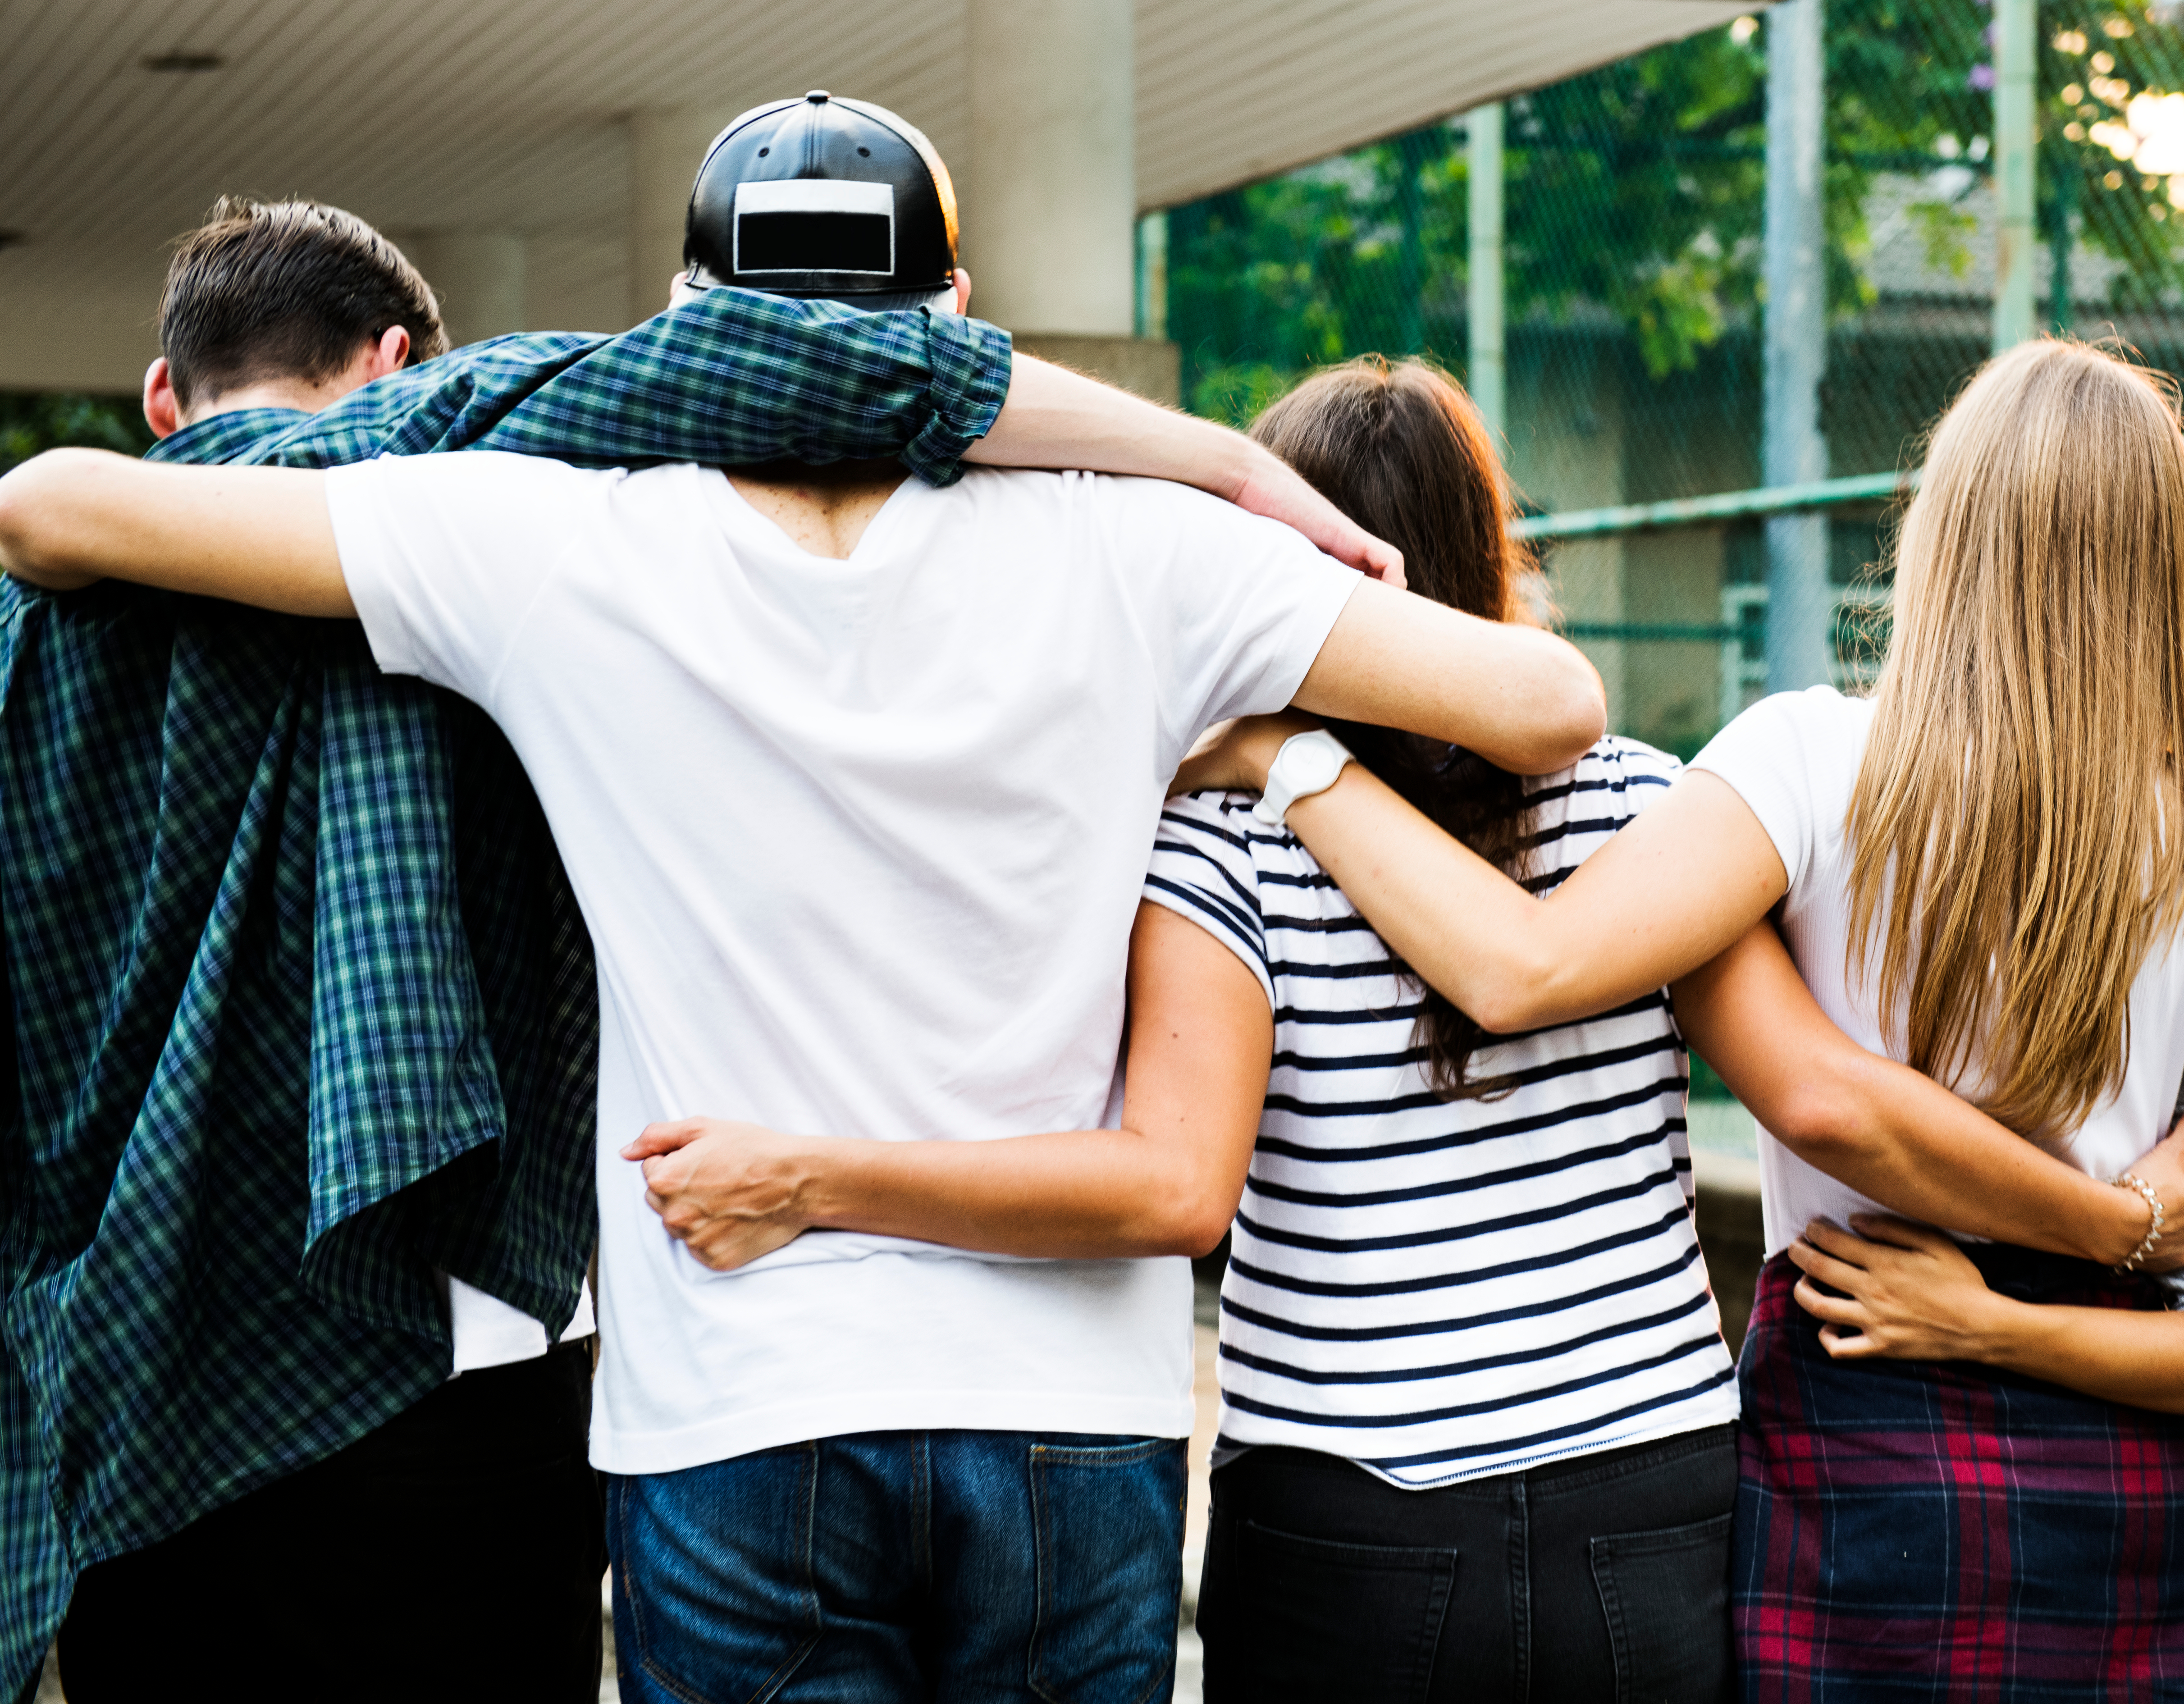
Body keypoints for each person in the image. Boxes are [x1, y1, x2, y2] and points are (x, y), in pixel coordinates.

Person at [0, 96, 1604, 1704]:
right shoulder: (1158, 554)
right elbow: (1547, 707)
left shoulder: (546, 539)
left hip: (736, 1404)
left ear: (694, 325)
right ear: (959, 324)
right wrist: (1256, 714)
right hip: (1073, 1414)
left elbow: (56, 510)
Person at [1165, 338, 2184, 1699]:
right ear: (2167, 563)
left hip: (1859, 1407)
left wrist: (1293, 758)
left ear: (1941, 526)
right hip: (2119, 1475)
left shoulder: (1797, 764)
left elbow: (1549, 978)